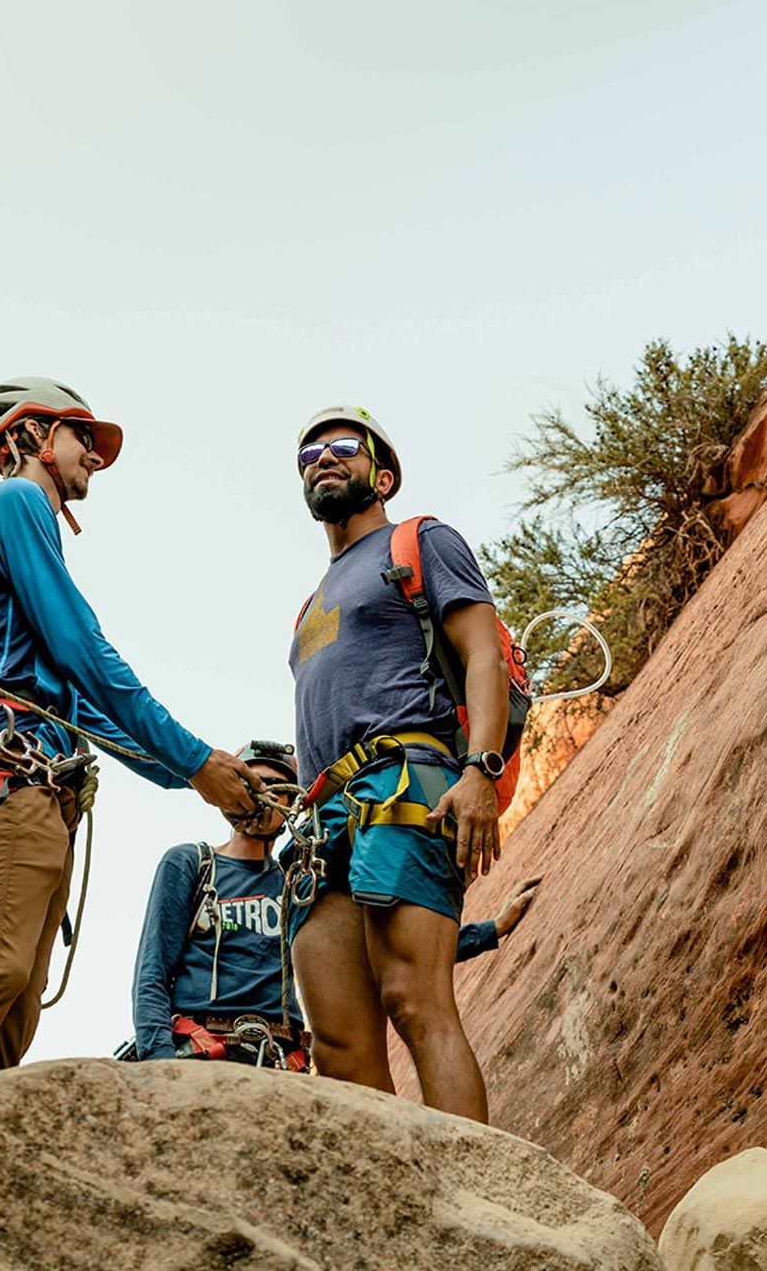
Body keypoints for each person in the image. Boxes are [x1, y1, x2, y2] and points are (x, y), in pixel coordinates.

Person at [0, 377, 262, 1166]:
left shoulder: (24, 526)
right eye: (81, 438)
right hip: (11, 776)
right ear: (31, 437)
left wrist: (196, 773)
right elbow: (82, 650)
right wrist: (198, 762)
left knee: (13, 1012)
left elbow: (87, 706)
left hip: (38, 781)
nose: (94, 457)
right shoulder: (13, 507)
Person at [284, 405, 511, 1121]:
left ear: (381, 473)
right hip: (323, 815)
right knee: (341, 1045)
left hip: (406, 780)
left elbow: (483, 652)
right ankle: (394, 1217)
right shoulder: (308, 607)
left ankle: (480, 1194)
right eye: (309, 454)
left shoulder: (421, 542)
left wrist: (482, 768)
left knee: (415, 999)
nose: (324, 457)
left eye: (344, 447)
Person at [129, 740, 542, 1069]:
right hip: (202, 1050)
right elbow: (153, 971)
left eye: (278, 787)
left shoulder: (302, 881)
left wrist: (490, 931)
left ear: (292, 804)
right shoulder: (191, 864)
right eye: (253, 783)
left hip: (279, 1059)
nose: (264, 796)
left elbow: (380, 951)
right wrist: (159, 1064)